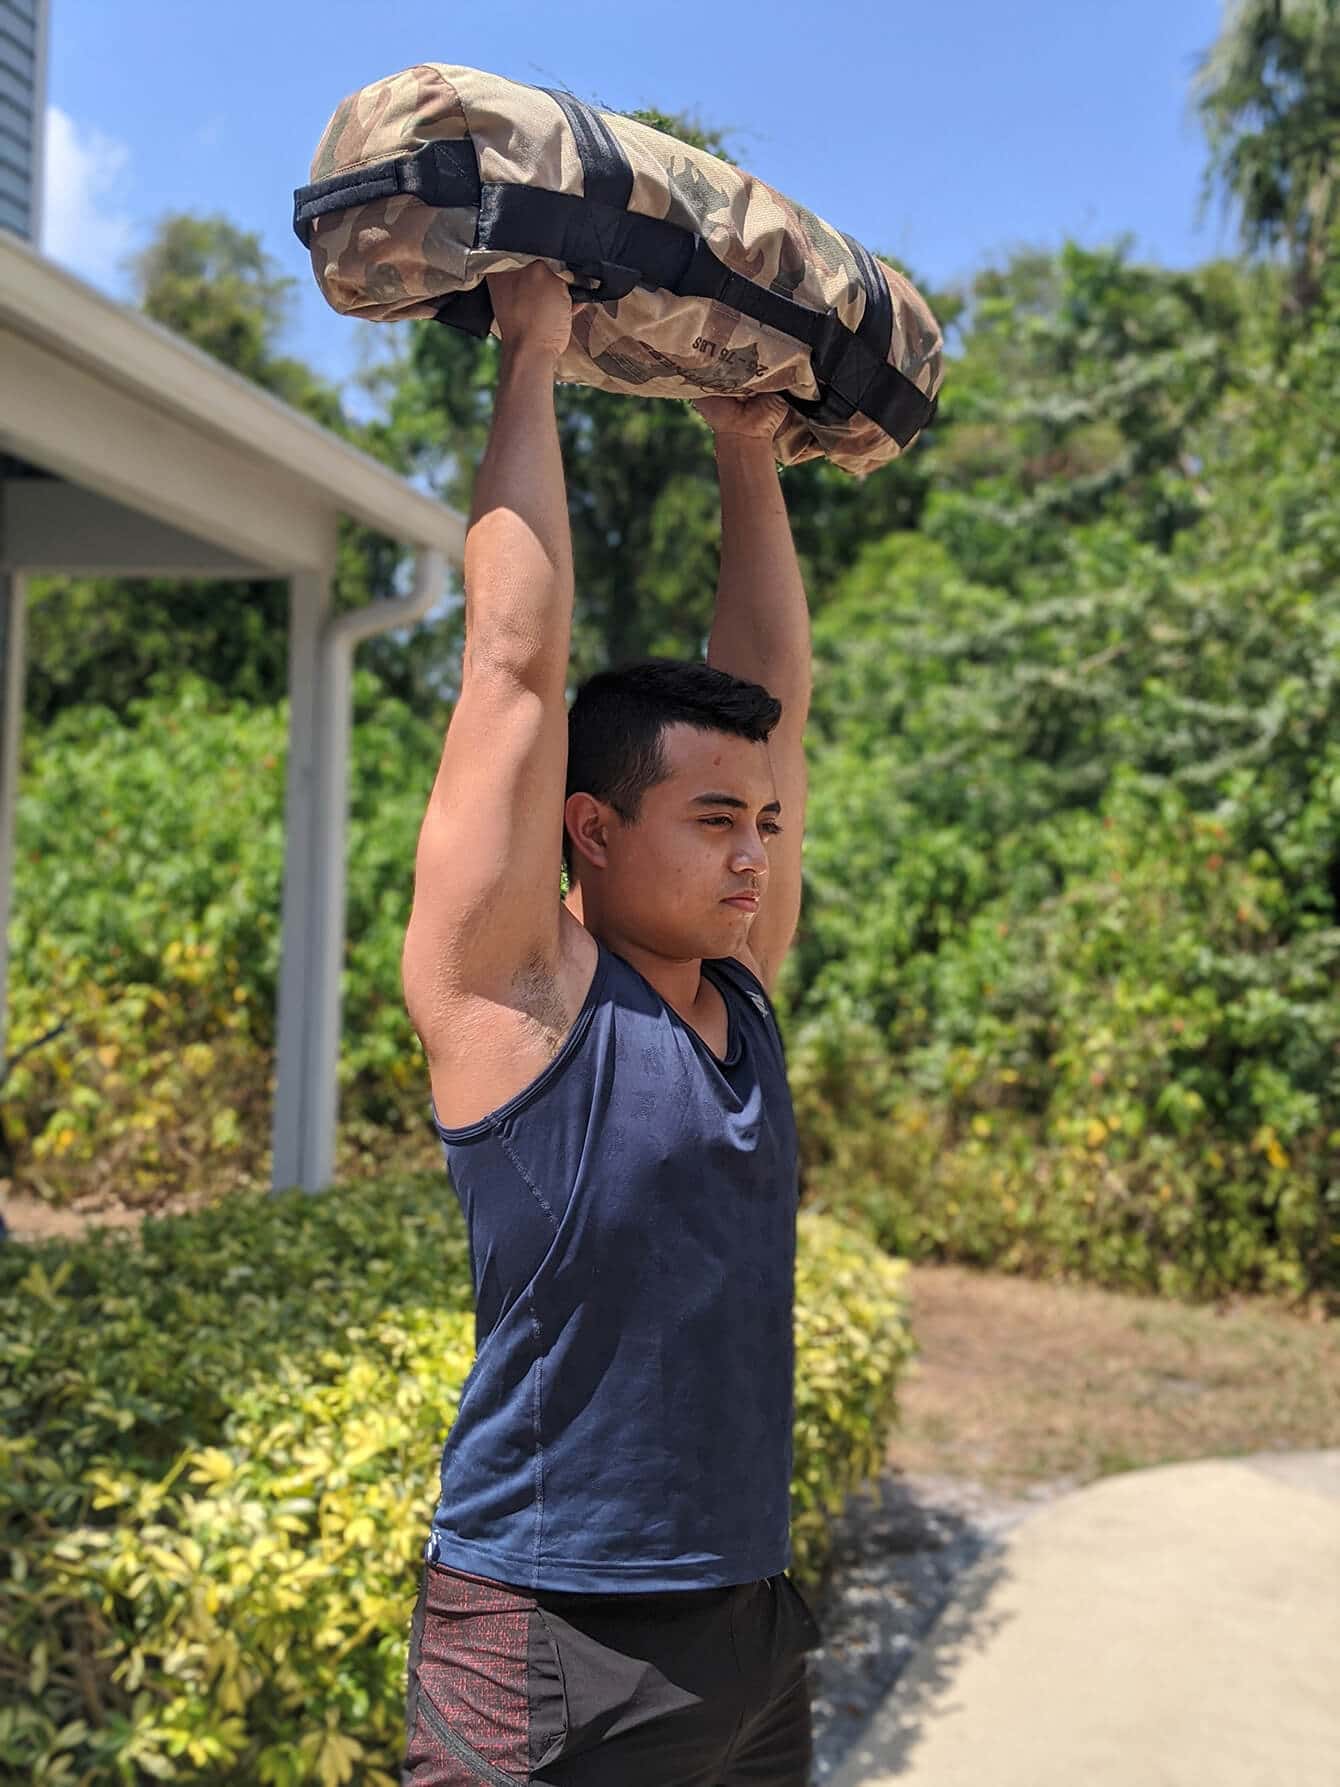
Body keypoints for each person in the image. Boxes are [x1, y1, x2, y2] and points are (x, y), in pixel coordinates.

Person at [399, 260, 820, 1787]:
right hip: (546, 1644)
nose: (755, 855)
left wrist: (744, 446)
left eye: (763, 825)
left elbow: (777, 695)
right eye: (714, 821)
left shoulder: (740, 994)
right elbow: (512, 667)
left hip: (755, 1631)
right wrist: (532, 352)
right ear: (585, 829)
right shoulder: (520, 1001)